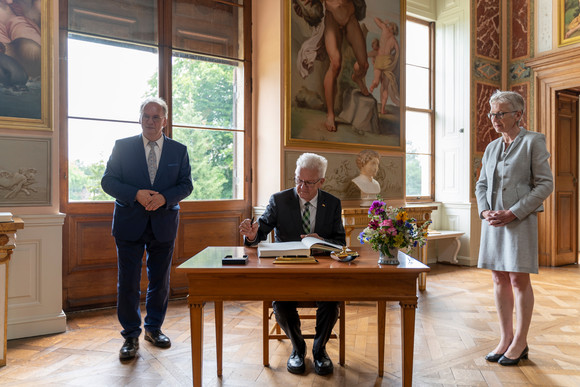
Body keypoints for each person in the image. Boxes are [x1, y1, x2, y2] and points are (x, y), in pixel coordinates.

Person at [101, 97, 193, 360]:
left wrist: (164, 198)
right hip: (129, 224)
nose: (150, 122)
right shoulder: (122, 147)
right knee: (128, 282)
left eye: (156, 117)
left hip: (163, 224)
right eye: (146, 116)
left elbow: (186, 185)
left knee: (160, 281)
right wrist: (136, 194)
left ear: (165, 120)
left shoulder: (179, 150)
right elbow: (107, 181)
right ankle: (130, 335)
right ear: (139, 118)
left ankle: (154, 328)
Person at [239, 153, 346, 375]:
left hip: (321, 272)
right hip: (286, 270)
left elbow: (340, 242)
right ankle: (298, 349)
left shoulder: (333, 203)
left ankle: (319, 350)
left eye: (308, 182)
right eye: (298, 180)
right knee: (281, 303)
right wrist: (251, 235)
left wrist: (322, 241)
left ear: (321, 182)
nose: (301, 187)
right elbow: (260, 233)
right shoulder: (279, 200)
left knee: (332, 301)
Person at [476, 90, 553, 366]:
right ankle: (505, 338)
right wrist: (485, 210)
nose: (494, 119)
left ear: (518, 114)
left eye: (501, 113)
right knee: (498, 278)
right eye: (492, 114)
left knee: (519, 280)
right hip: (493, 222)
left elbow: (546, 184)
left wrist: (513, 212)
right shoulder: (491, 147)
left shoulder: (534, 142)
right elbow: (481, 184)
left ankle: (520, 342)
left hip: (519, 220)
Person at [294, 0, 370, 132]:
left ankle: (357, 78)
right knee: (335, 63)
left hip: (350, 16)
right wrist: (303, 10)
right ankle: (330, 114)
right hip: (331, 17)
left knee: (363, 64)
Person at [369, 17, 400, 113]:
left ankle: (373, 84)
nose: (389, 26)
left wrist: (384, 22)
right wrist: (393, 59)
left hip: (380, 58)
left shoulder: (384, 30)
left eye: (390, 25)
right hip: (387, 61)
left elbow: (375, 20)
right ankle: (382, 109)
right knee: (385, 87)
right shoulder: (394, 40)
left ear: (391, 27)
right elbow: (398, 53)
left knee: (376, 80)